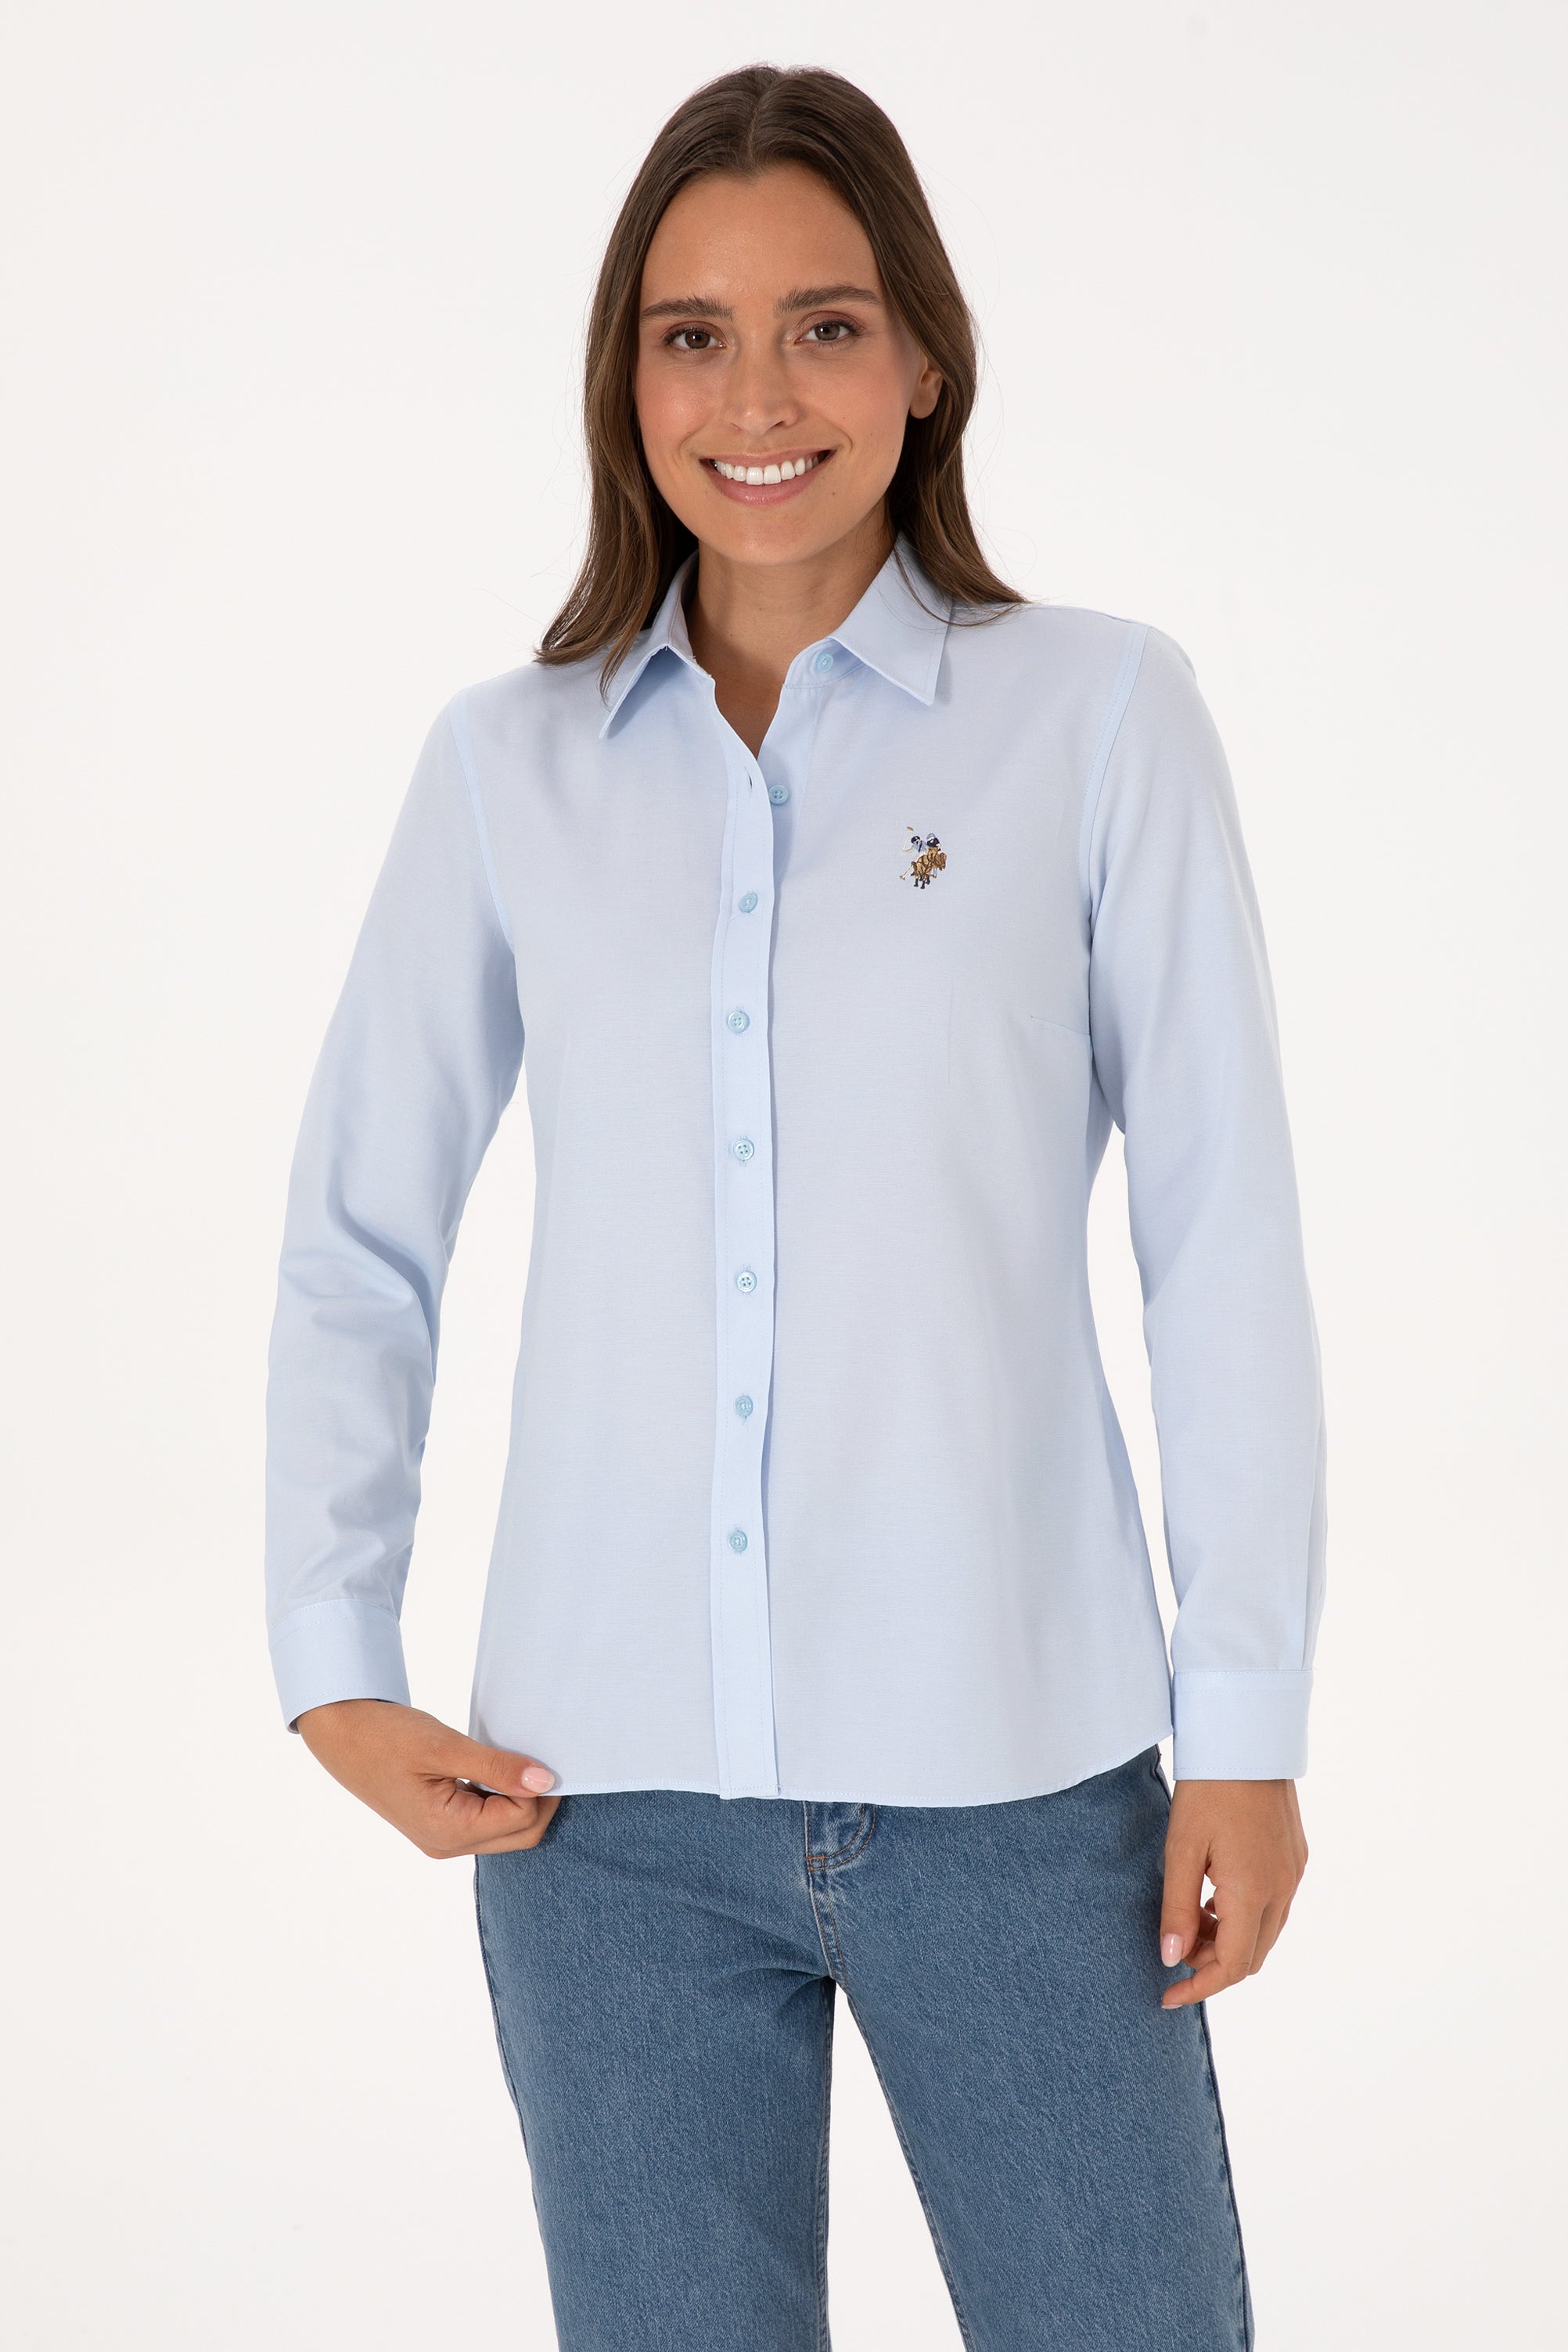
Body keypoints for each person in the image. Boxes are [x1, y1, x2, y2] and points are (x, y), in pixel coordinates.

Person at [264, 63, 1324, 2352]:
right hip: (600, 1821)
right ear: (624, 378)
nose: (756, 399)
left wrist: (1243, 1718)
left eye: (825, 327)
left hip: (1022, 1793)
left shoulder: (1096, 718)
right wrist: (332, 1661)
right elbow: (363, 1229)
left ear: (924, 360)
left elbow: (1221, 1235)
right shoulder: (506, 766)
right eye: (693, 336)